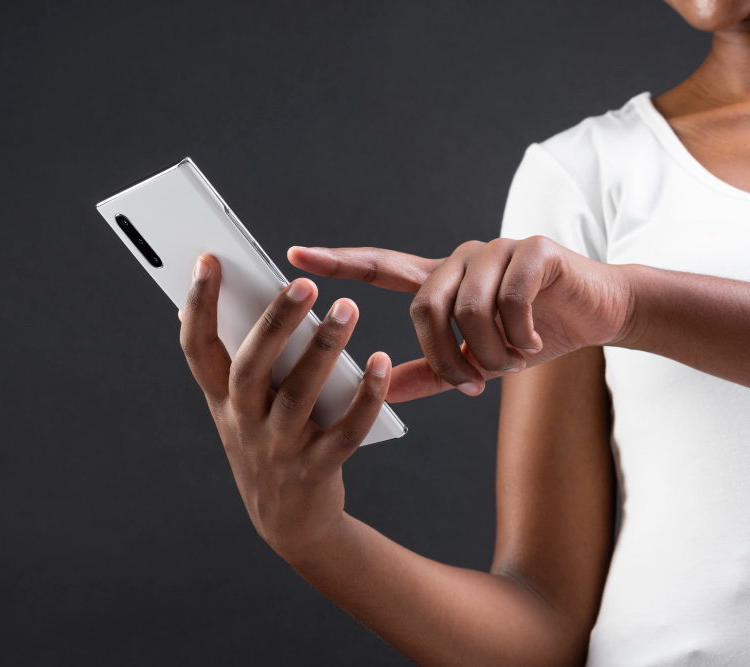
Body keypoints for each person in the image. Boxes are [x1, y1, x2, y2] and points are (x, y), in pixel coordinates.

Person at [177, 1, 750, 663]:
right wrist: (314, 535)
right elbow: (540, 629)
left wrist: (631, 306)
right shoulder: (588, 173)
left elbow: (626, 304)